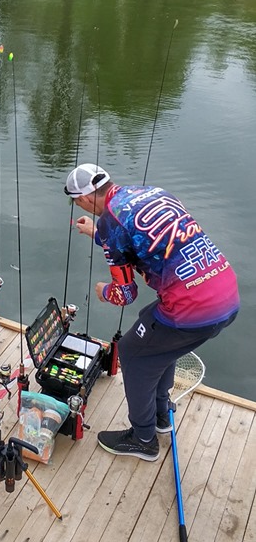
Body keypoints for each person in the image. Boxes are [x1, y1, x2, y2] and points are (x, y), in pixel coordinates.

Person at [66, 162, 239, 461]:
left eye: (76, 201)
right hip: (226, 292)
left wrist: (104, 291)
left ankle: (143, 437)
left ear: (84, 198)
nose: (78, 206)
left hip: (192, 309)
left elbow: (126, 294)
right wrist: (97, 233)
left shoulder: (111, 224)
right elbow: (148, 239)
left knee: (133, 351)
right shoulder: (151, 193)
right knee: (153, 331)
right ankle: (161, 414)